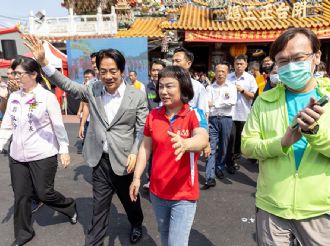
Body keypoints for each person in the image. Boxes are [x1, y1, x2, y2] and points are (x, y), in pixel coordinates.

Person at [24, 35, 147, 245]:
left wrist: (135, 151)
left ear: (122, 71)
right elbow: (69, 85)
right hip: (100, 161)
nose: (108, 76)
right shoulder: (93, 89)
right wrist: (44, 63)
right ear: (98, 71)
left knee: (130, 202)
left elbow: (141, 128)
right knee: (99, 208)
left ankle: (136, 223)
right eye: (103, 71)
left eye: (113, 71)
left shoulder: (136, 95)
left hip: (125, 160)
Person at [241, 27, 330, 245]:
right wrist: (281, 143)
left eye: (298, 58)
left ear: (316, 57)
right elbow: (247, 146)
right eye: (283, 61)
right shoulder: (265, 101)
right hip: (272, 206)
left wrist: (313, 133)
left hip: (320, 209)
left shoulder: (327, 97)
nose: (291, 66)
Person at [0, 56, 77, 246]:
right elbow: (7, 125)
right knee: (21, 196)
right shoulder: (15, 97)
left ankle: (69, 206)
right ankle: (24, 234)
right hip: (17, 155)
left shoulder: (47, 97)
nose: (15, 77)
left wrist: (64, 150)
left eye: (19, 73)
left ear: (34, 74)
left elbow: (58, 126)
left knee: (44, 193)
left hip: (43, 153)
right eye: (14, 73)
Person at [129, 66, 209, 246]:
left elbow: (202, 138)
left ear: (183, 87)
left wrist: (186, 143)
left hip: (183, 194)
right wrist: (136, 178)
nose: (164, 91)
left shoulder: (194, 113)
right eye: (161, 86)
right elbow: (145, 148)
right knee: (164, 237)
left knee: (177, 243)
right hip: (158, 192)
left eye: (170, 86)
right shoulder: (153, 115)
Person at [202, 62, 237, 189]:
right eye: (218, 71)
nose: (220, 74)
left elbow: (231, 102)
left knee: (224, 146)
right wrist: (220, 103)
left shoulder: (232, 87)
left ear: (227, 73)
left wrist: (215, 104)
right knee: (211, 147)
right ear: (214, 73)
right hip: (212, 120)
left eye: (223, 71)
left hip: (226, 119)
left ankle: (219, 166)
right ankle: (209, 176)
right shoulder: (209, 88)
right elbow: (207, 104)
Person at [225, 54, 258, 175]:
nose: (239, 66)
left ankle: (235, 159)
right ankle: (229, 161)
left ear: (246, 65)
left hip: (244, 113)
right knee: (230, 138)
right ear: (233, 64)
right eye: (237, 64)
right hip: (229, 113)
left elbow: (253, 96)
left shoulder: (250, 78)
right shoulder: (228, 77)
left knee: (239, 139)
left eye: (241, 64)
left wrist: (242, 90)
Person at [143, 59, 166, 190]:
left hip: (168, 125)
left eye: (159, 70)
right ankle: (151, 179)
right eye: (153, 70)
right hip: (153, 126)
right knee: (151, 154)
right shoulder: (147, 87)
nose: (156, 72)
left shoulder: (170, 86)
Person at [172, 47, 209, 115]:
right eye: (173, 61)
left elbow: (202, 113)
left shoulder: (198, 87)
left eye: (177, 61)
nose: (174, 64)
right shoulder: (168, 85)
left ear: (188, 64)